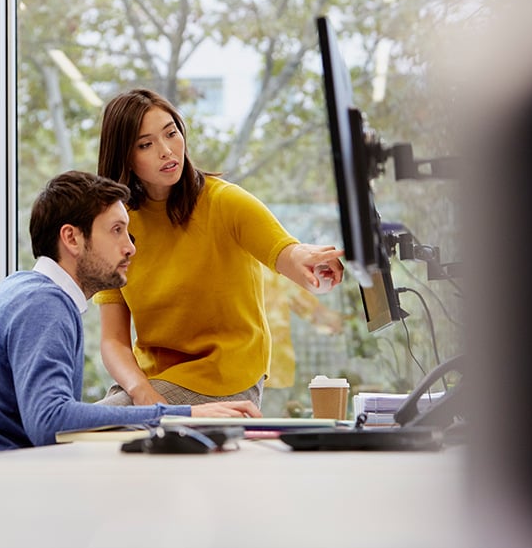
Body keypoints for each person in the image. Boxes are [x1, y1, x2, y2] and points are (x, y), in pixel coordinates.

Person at [0, 170, 260, 455]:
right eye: (116, 230)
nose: (131, 247)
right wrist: (182, 415)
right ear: (72, 238)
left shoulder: (25, 290)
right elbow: (49, 422)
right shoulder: (44, 305)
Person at [94, 88, 346, 410]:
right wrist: (140, 389)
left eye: (171, 134)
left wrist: (313, 264)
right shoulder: (119, 226)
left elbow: (286, 252)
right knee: (86, 425)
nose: (167, 151)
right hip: (147, 381)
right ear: (124, 157)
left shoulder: (224, 202)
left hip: (223, 377)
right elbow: (112, 339)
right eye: (146, 144)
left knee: (88, 424)